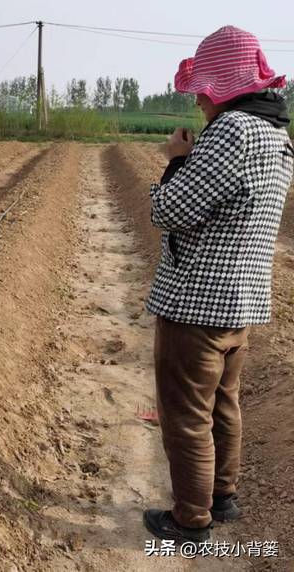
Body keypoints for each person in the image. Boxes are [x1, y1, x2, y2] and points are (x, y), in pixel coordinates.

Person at [143, 26, 294, 544]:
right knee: (223, 404)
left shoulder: (233, 130)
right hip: (241, 304)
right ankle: (222, 498)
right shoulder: (278, 136)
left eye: (205, 91)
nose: (201, 101)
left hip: (196, 307)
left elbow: (172, 210)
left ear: (223, 87)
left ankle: (190, 520)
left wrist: (175, 161)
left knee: (186, 415)